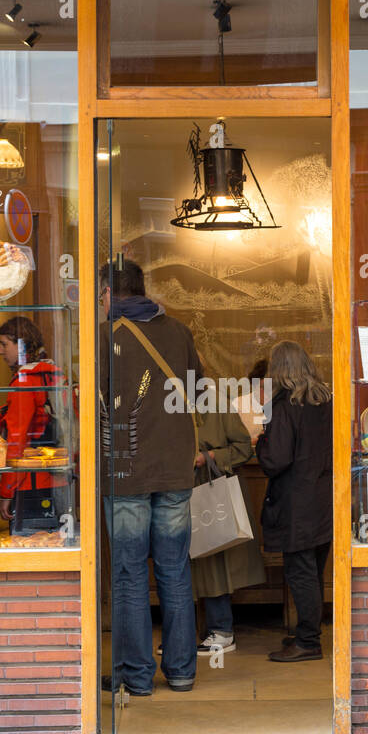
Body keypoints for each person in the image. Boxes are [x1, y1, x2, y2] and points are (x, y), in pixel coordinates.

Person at [98, 258, 203, 695]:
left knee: (127, 573)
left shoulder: (103, 336)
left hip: (126, 470)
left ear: (107, 292)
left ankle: (136, 676)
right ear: (142, 290)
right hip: (176, 468)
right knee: (175, 569)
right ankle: (181, 672)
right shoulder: (177, 332)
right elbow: (198, 392)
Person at [257, 340, 332, 662]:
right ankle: (306, 631)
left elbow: (275, 460)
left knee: (300, 573)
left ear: (279, 371)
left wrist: (261, 441)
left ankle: (308, 642)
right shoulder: (326, 401)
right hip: (324, 499)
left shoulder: (283, 405)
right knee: (313, 571)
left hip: (297, 503)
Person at [189, 395, 266, 654]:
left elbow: (243, 448)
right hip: (173, 491)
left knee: (213, 559)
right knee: (176, 563)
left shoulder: (216, 404)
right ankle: (181, 636)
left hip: (210, 489)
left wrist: (209, 456)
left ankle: (221, 631)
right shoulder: (164, 403)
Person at [0, 316, 69, 533]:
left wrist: (6, 491)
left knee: (29, 548)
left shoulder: (24, 382)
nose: (0, 351)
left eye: (4, 344)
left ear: (22, 346)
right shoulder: (55, 375)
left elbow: (17, 442)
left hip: (29, 484)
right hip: (61, 480)